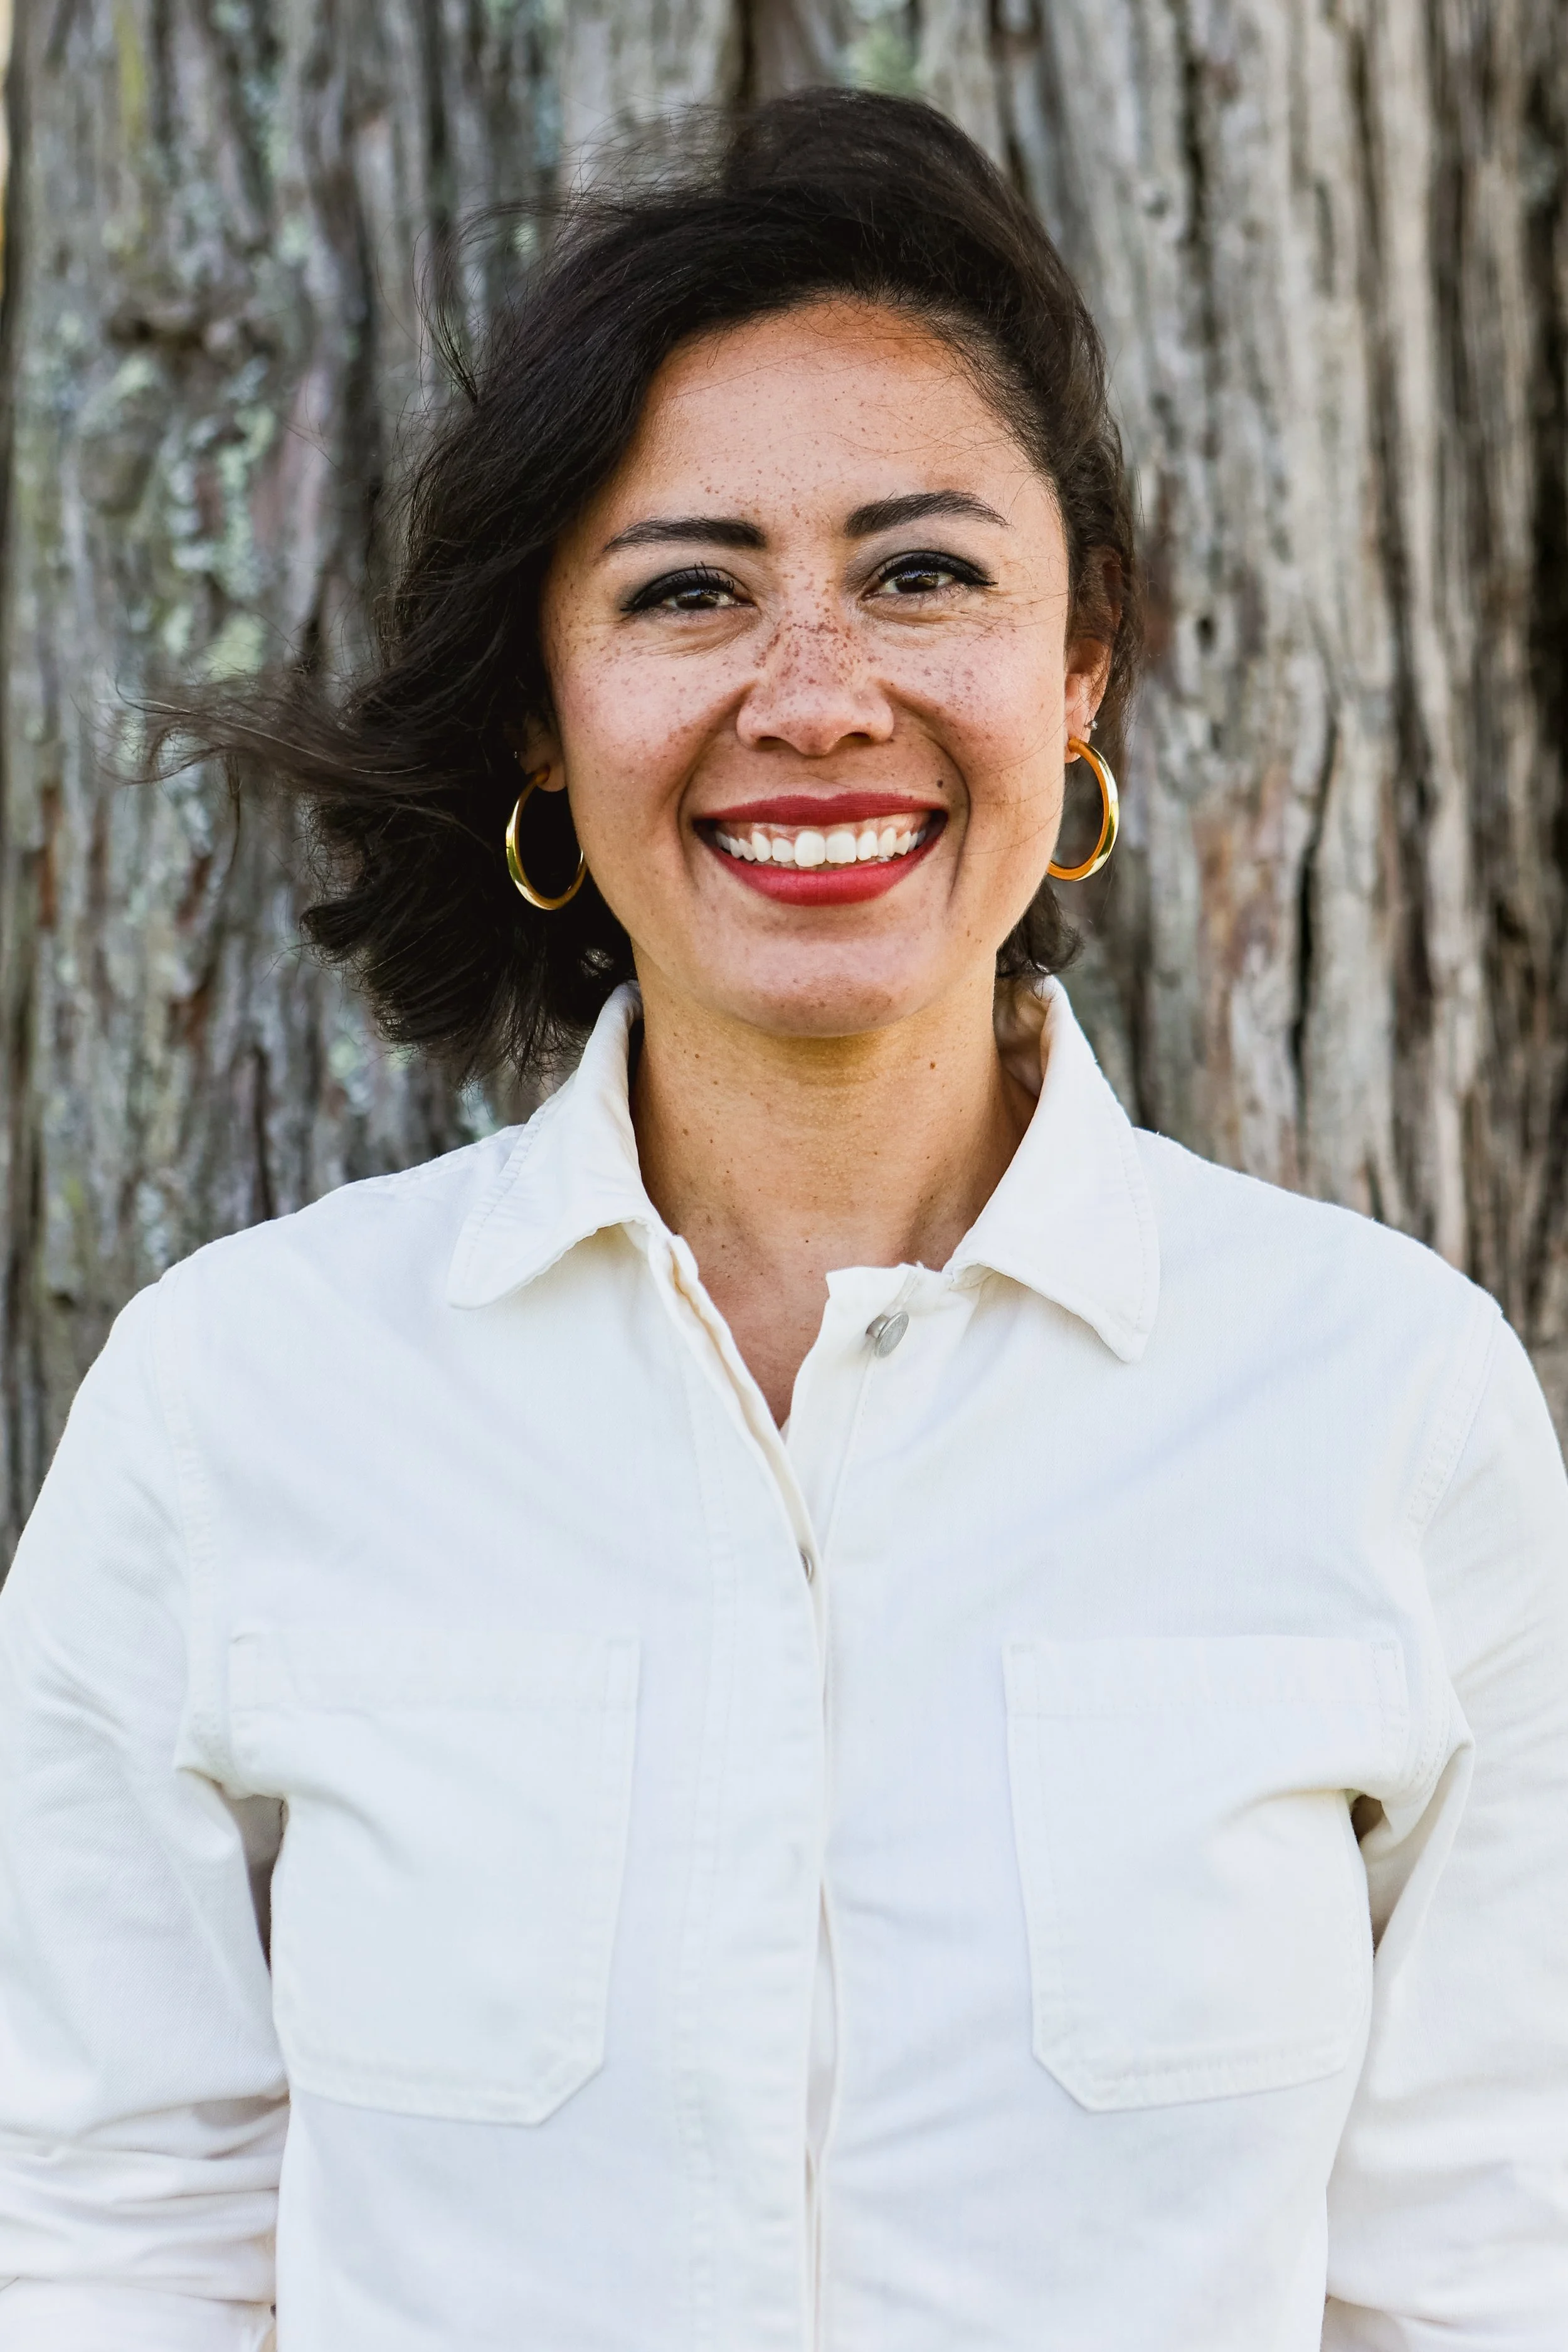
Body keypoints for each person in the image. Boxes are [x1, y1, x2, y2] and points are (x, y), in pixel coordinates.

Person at [0, 86, 1564, 2352]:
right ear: (547, 710)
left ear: (1078, 661)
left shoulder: (1385, 1405)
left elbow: (1487, 2276)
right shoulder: (241, 1403)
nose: (816, 697)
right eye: (687, 591)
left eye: (923, 573)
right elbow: (99, 2254)